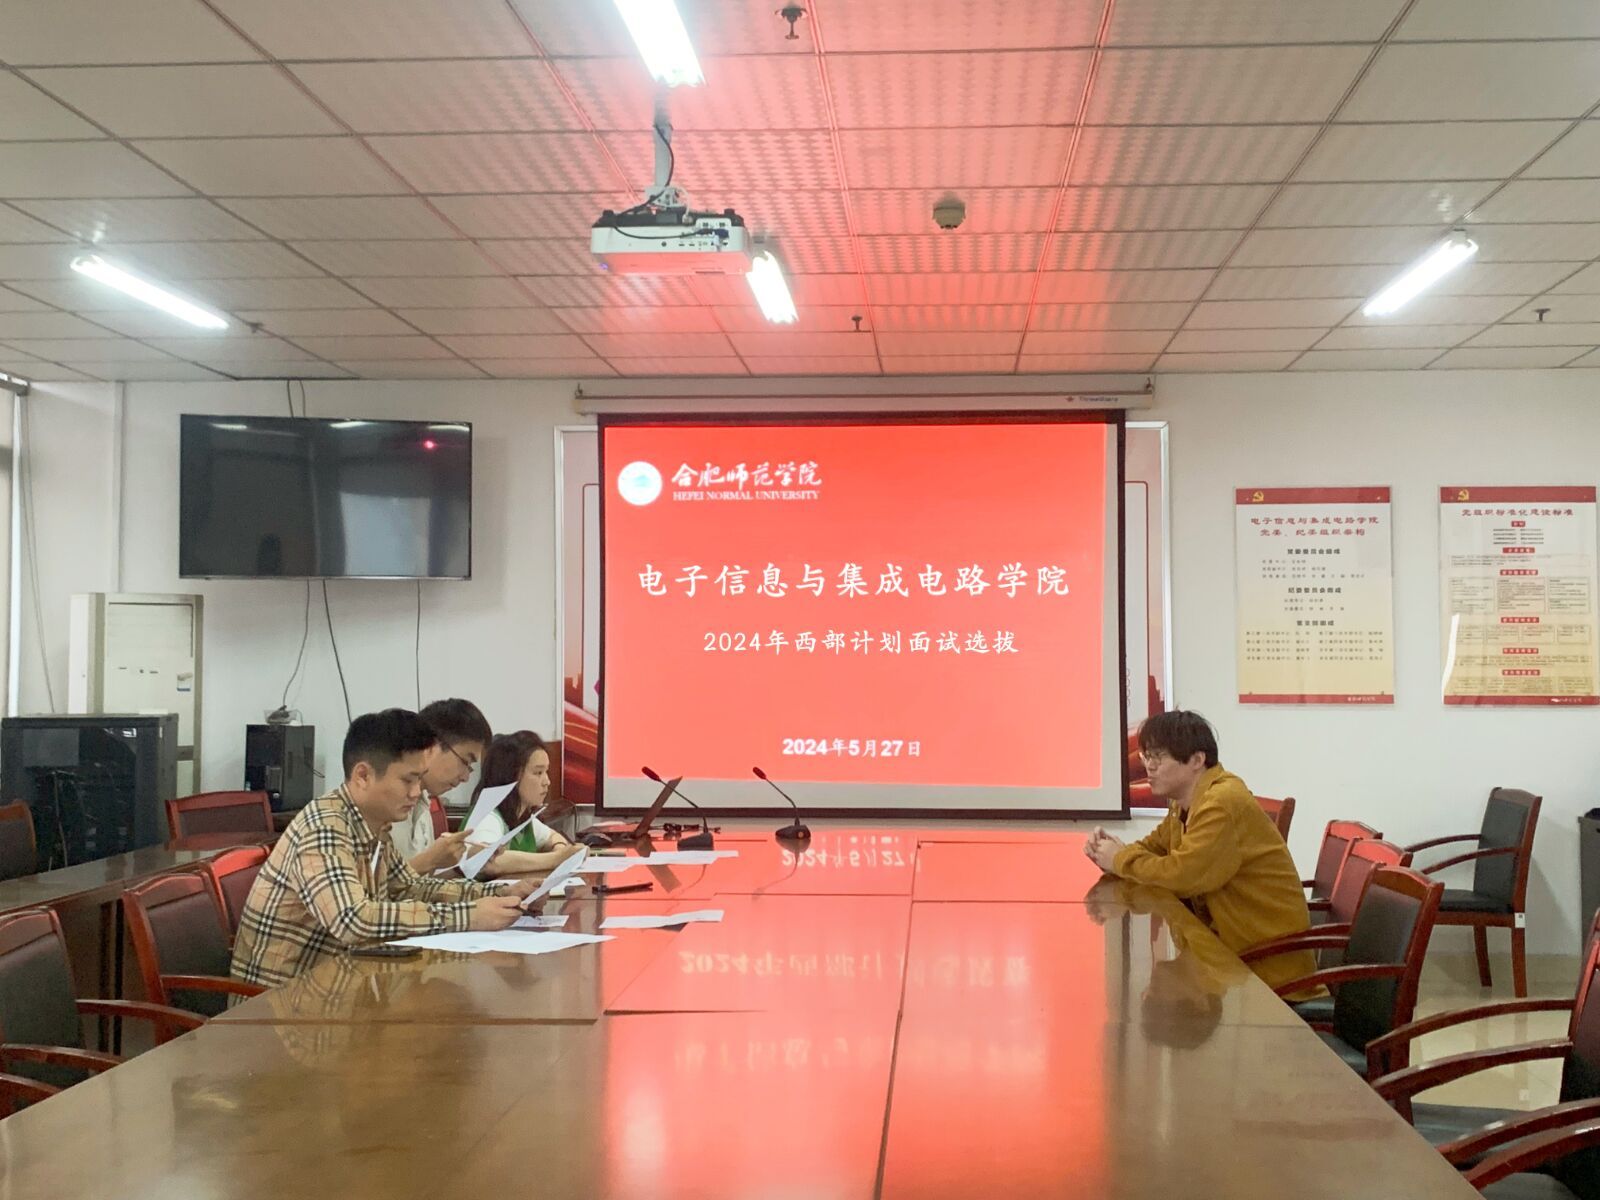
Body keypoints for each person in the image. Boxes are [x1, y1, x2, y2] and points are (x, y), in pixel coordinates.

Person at [231, 708, 539, 989]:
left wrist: (499, 893)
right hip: (280, 1007)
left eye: (419, 779)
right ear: (363, 776)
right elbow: (353, 920)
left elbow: (410, 887)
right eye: (408, 780)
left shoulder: (374, 826)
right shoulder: (325, 826)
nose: (416, 792)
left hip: (340, 986)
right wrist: (469, 916)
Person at [1083, 710, 1318, 996]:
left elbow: (1183, 875)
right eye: (1146, 756)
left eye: (1158, 757)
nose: (1148, 767)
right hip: (1228, 956)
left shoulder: (1220, 803)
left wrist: (1119, 859)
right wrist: (1112, 853)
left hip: (1266, 972)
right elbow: (1154, 847)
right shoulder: (1185, 803)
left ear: (1196, 760)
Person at [389, 697, 492, 875]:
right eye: (465, 762)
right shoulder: (383, 804)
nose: (465, 777)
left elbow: (424, 882)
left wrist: (467, 862)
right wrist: (431, 860)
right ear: (432, 746)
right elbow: (376, 886)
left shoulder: (424, 800)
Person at [471, 731, 584, 877]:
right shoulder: (487, 816)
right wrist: (556, 859)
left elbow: (552, 837)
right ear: (510, 775)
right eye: (538, 773)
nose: (547, 782)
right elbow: (489, 862)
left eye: (546, 772)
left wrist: (560, 849)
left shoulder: (521, 817)